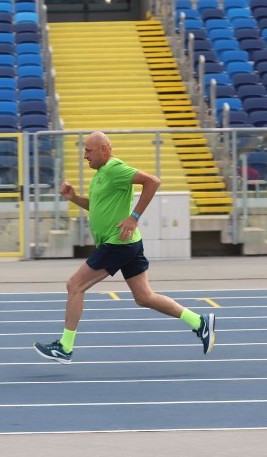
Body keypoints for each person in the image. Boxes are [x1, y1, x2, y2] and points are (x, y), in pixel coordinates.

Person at [34, 131, 215, 364]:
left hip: (117, 243)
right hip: (127, 243)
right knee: (144, 297)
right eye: (84, 150)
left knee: (75, 286)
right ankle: (200, 323)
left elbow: (153, 182)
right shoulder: (100, 174)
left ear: (104, 150)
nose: (84, 155)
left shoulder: (114, 169)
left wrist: (134, 216)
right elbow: (97, 207)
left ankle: (65, 347)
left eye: (88, 150)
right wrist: (74, 198)